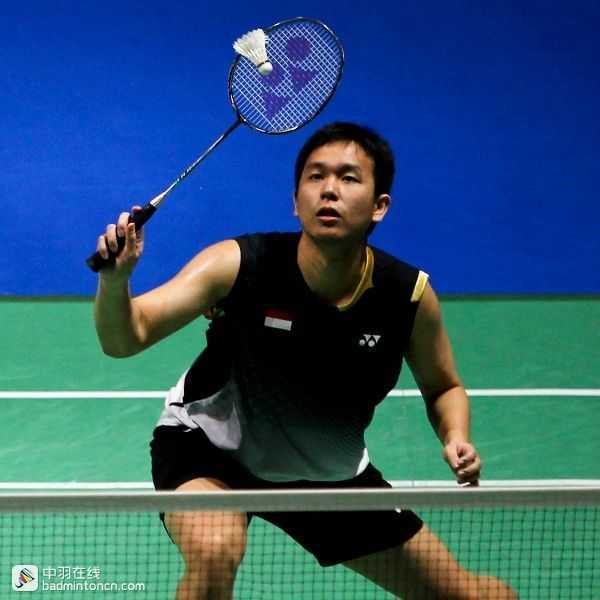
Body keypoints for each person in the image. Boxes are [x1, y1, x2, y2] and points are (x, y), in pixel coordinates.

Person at [94, 122, 517, 600]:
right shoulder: (239, 264)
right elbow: (127, 337)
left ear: (379, 206)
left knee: (470, 597)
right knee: (213, 550)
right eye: (316, 177)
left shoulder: (406, 295)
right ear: (296, 201)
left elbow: (443, 387)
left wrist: (456, 436)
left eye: (348, 178)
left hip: (327, 476)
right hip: (211, 450)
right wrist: (115, 282)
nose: (329, 190)